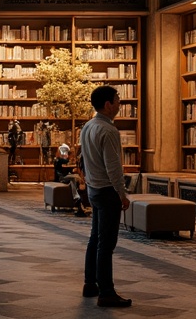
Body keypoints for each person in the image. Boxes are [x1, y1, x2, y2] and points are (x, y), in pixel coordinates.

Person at [79, 85, 132, 308]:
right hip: (108, 191)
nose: (120, 103)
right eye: (117, 99)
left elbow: (83, 161)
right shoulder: (108, 131)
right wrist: (122, 193)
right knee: (106, 244)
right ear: (108, 104)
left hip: (94, 189)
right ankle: (107, 292)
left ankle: (90, 284)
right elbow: (113, 167)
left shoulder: (87, 126)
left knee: (95, 239)